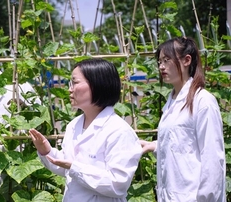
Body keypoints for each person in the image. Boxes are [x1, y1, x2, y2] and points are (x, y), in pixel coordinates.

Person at [29, 58, 142, 202]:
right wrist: (47, 151)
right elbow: (66, 168)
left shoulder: (119, 131)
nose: (70, 89)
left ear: (97, 85)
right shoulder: (74, 125)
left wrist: (75, 168)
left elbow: (117, 184)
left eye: (75, 82)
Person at [140, 37, 226, 201]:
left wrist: (206, 198)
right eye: (159, 61)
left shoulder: (203, 101)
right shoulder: (172, 101)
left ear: (187, 60)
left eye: (167, 60)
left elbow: (212, 159)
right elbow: (183, 144)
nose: (161, 66)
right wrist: (154, 145)